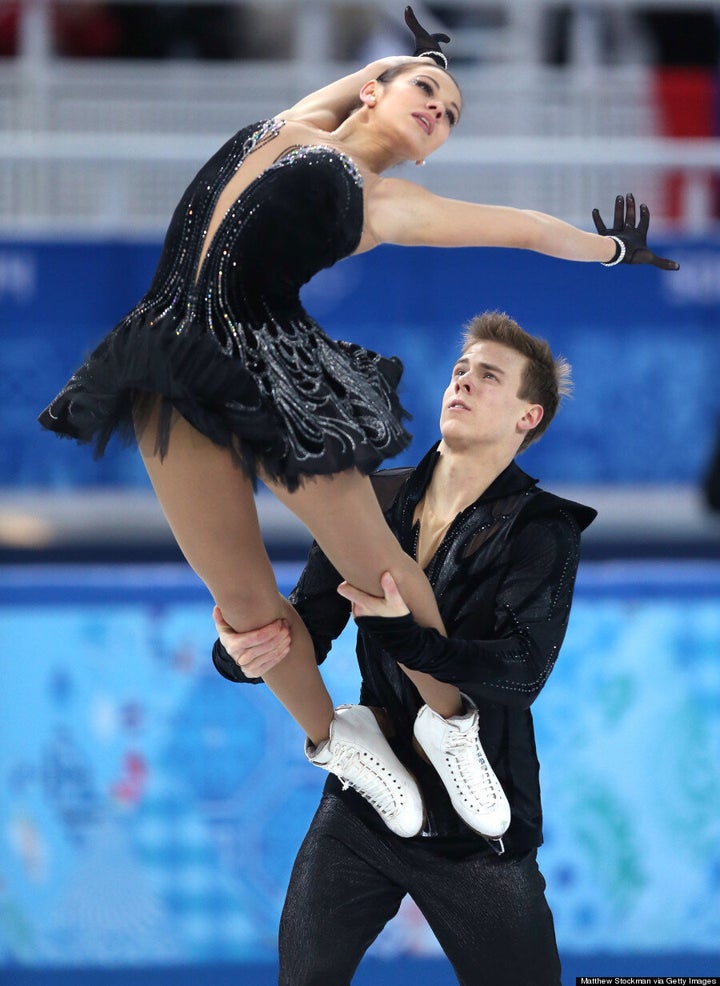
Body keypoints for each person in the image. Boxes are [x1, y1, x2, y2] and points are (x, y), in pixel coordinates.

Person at [38, 8, 673, 839]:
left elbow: (521, 228)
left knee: (375, 570)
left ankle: (451, 730)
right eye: (427, 91)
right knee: (244, 607)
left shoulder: (385, 203)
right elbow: (357, 89)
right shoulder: (286, 125)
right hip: (164, 361)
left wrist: (612, 253)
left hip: (273, 372)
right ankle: (340, 738)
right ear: (372, 88)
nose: (438, 111)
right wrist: (424, 55)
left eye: (449, 115)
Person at [212, 310, 595, 986]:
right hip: (367, 797)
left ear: (527, 417)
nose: (463, 383)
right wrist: (242, 648)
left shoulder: (542, 528)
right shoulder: (374, 498)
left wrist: (405, 638)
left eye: (488, 376)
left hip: (477, 827)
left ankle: (447, 740)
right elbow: (313, 620)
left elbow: (521, 671)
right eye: (459, 371)